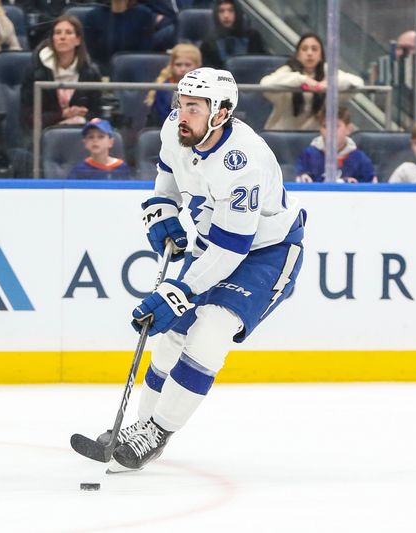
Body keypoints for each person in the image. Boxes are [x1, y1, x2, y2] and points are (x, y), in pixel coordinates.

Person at [100, 67, 306, 471]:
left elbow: (232, 249)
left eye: (194, 107)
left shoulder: (242, 162)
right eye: (181, 103)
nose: (182, 114)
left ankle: (158, 431)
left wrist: (178, 291)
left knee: (211, 326)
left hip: (267, 254)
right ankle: (140, 426)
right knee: (175, 334)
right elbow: (168, 174)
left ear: (222, 112)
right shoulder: (176, 128)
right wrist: (162, 208)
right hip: (217, 244)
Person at [260, 33, 363, 130]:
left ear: (321, 55)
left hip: (317, 137)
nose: (309, 53)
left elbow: (357, 82)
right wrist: (301, 80)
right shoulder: (288, 70)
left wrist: (329, 83)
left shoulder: (327, 71)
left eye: (314, 49)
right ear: (298, 55)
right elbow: (265, 84)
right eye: (304, 49)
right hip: (282, 134)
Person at [21, 15, 102, 129]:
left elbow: (97, 114)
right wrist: (63, 114)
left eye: (68, 32)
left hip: (82, 134)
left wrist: (83, 117)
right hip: (44, 134)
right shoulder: (35, 72)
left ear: (78, 40)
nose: (62, 37)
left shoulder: (91, 73)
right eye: (58, 33)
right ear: (52, 39)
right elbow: (28, 117)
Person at [295, 106, 376, 183]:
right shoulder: (308, 155)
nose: (330, 131)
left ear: (349, 129)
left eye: (336, 126)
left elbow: (371, 185)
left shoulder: (359, 157)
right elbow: (300, 180)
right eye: (325, 126)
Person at [83, 0, 155, 75]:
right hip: (101, 75)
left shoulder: (144, 15)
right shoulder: (92, 17)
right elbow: (93, 55)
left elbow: (143, 55)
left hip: (134, 75)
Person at [145, 44, 202, 128]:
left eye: (188, 65)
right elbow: (173, 115)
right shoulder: (166, 88)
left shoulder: (205, 87)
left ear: (197, 66)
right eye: (178, 65)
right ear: (171, 66)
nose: (183, 69)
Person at [199, 0, 265, 70]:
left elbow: (260, 66)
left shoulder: (253, 36)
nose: (226, 16)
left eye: (231, 10)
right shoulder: (209, 42)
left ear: (238, 13)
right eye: (221, 11)